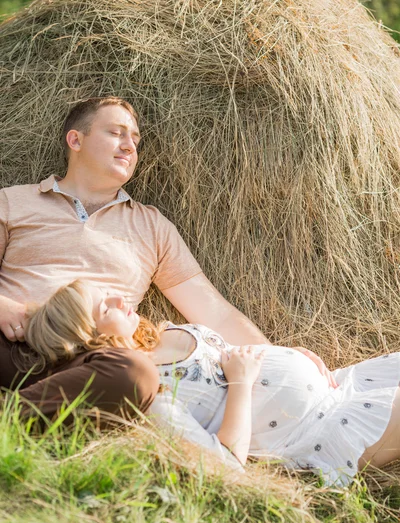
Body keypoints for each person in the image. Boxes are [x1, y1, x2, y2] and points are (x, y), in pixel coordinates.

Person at [0, 96, 332, 421]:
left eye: (135, 138)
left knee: (133, 373)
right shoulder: (14, 202)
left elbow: (212, 309)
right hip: (15, 343)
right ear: (75, 139)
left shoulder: (151, 225)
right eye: (116, 133)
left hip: (90, 356)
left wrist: (276, 355)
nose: (130, 146)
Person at [16, 279, 400, 487]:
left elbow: (236, 353)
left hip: (340, 381)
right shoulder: (150, 392)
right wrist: (241, 384)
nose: (119, 298)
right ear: (88, 336)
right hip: (322, 428)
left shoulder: (159, 332)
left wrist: (290, 353)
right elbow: (228, 465)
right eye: (105, 306)